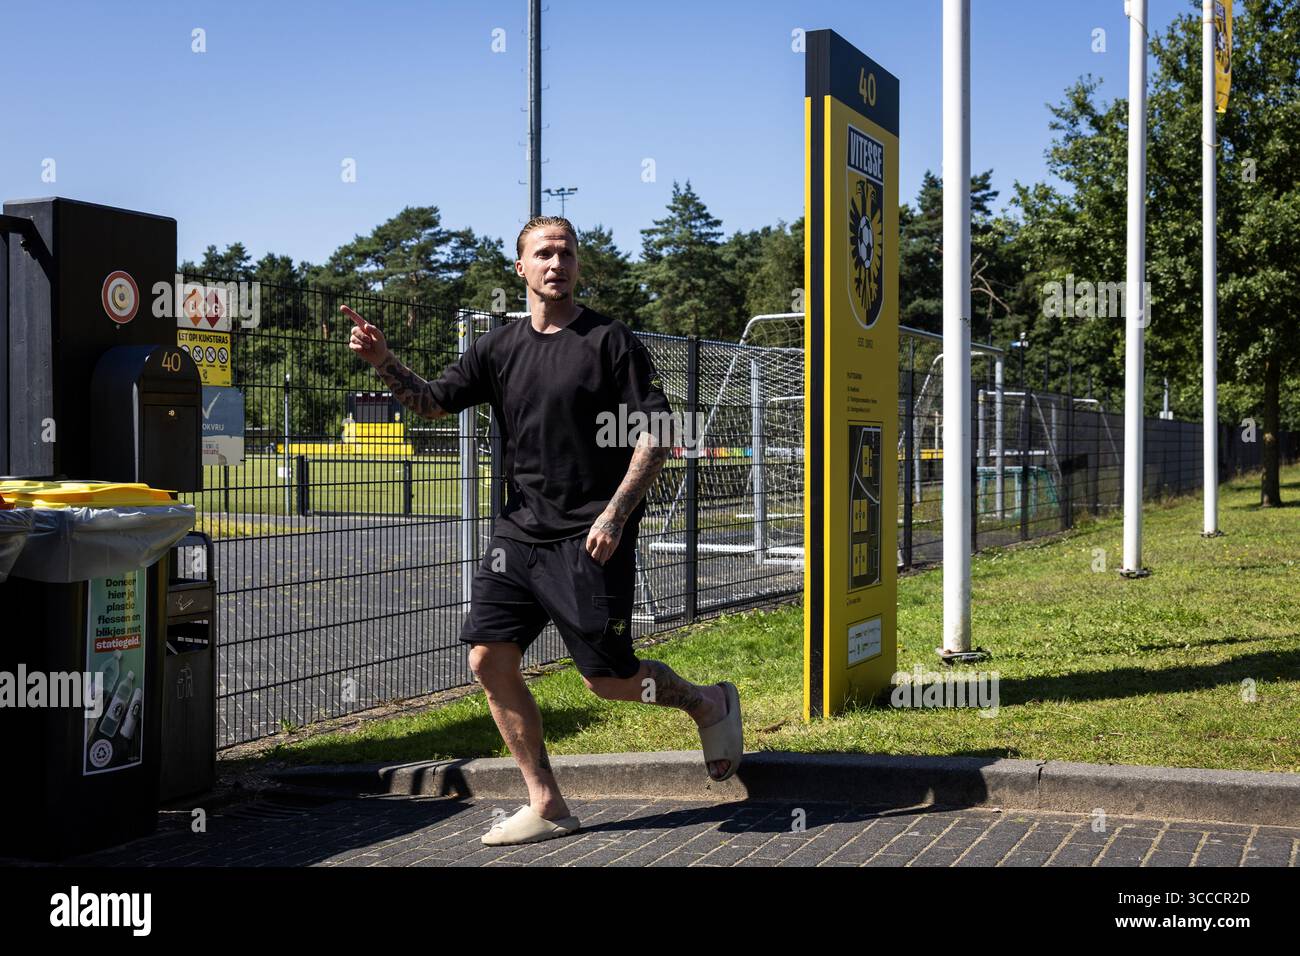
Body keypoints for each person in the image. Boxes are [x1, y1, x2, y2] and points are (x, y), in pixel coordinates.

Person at [343, 215, 742, 846]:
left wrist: (615, 514)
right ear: (521, 267)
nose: (556, 263)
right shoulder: (500, 347)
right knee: (487, 657)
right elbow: (433, 401)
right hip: (518, 534)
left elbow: (659, 431)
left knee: (608, 682)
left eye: (566, 253)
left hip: (590, 535)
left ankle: (707, 704)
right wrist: (383, 359)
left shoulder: (610, 341)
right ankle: (547, 802)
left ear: (578, 265)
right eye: (543, 254)